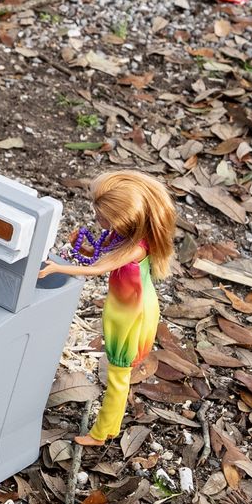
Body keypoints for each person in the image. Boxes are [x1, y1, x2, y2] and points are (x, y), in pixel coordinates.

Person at [37, 170, 176, 446]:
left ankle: (101, 433)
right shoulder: (125, 239)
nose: (99, 222)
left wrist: (57, 267)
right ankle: (108, 428)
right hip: (127, 305)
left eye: (104, 218)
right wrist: (85, 250)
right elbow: (100, 257)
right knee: (118, 373)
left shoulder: (135, 248)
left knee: (118, 375)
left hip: (129, 313)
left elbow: (100, 268)